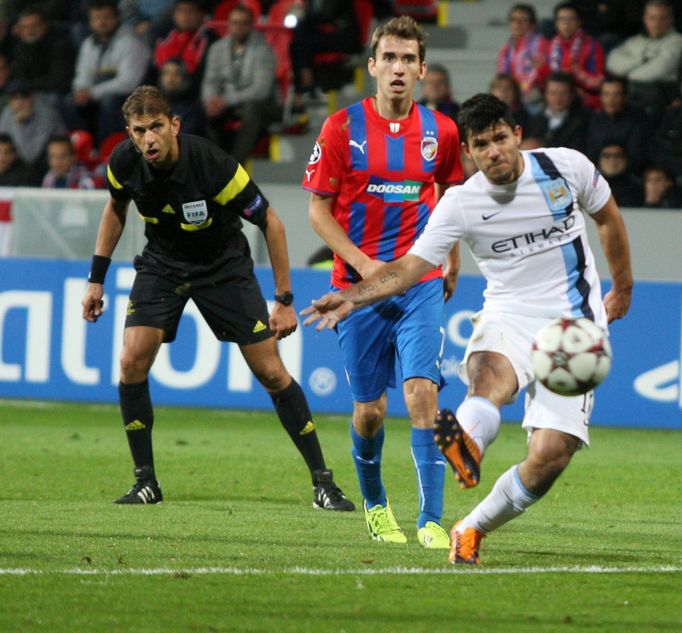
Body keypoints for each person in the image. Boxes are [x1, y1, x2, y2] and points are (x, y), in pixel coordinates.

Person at [302, 93, 633, 565]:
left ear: (517, 135)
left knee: (549, 456)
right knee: (490, 378)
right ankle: (467, 440)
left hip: (575, 325)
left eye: (500, 138)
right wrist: (352, 296)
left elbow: (609, 220)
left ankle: (470, 526)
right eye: (481, 144)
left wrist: (622, 289)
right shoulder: (460, 202)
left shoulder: (566, 168)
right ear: (470, 153)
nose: (494, 151)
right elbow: (411, 268)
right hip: (508, 314)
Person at [81, 85, 354, 511]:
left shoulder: (212, 165)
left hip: (223, 268)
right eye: (139, 130)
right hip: (162, 265)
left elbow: (272, 222)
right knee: (132, 359)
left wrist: (283, 298)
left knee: (271, 373)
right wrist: (96, 278)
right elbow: (115, 209)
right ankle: (145, 482)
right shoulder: (123, 163)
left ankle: (323, 482)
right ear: (129, 133)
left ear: (174, 125)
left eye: (156, 127)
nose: (148, 138)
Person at [302, 16, 463, 548]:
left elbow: (451, 197)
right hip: (358, 288)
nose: (397, 68)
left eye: (407, 59)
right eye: (388, 58)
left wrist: (452, 257)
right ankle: (375, 505)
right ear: (372, 66)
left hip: (418, 282)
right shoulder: (342, 127)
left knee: (423, 394)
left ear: (421, 68)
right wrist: (364, 267)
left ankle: (433, 520)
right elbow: (318, 212)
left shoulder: (441, 130)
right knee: (370, 412)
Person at [201, 5, 281, 166]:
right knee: (201, 111)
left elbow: (261, 90)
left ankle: (236, 165)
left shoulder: (263, 50)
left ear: (251, 25)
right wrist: (211, 100)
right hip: (227, 102)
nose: (238, 27)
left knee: (252, 109)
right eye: (235, 22)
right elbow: (210, 80)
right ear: (228, 24)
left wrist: (226, 101)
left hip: (264, 105)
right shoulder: (218, 48)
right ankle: (214, 164)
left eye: (243, 23)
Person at [64, 0, 151, 143]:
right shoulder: (88, 44)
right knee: (70, 101)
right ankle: (82, 147)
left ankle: (110, 147)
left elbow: (129, 82)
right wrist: (81, 91)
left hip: (130, 96)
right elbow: (82, 75)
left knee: (109, 101)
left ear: (117, 18)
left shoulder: (130, 42)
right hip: (96, 94)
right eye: (96, 18)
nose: (101, 22)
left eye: (106, 17)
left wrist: (92, 93)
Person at [606, 0, 682, 116]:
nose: (657, 23)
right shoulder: (636, 41)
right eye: (652, 18)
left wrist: (628, 74)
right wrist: (641, 59)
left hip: (663, 93)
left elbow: (659, 70)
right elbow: (612, 63)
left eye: (662, 18)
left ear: (671, 20)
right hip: (633, 92)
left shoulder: (677, 41)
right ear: (645, 19)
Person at [9, 5, 75, 104]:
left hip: (55, 94)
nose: (29, 31)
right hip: (30, 93)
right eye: (25, 27)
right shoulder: (20, 48)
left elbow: (58, 81)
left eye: (33, 26)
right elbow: (20, 77)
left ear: (44, 26)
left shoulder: (59, 44)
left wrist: (31, 84)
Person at [586, 76, 649, 175]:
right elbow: (591, 152)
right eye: (606, 94)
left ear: (625, 97)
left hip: (630, 178)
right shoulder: (595, 119)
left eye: (616, 94)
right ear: (601, 97)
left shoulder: (638, 119)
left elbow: (638, 156)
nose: (611, 100)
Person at [547, 2, 605, 110]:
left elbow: (598, 82)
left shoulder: (592, 45)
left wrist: (578, 72)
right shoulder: (551, 45)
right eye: (562, 19)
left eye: (571, 19)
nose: (566, 24)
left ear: (579, 22)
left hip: (584, 100)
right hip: (557, 98)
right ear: (556, 23)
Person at [153, 0, 217, 92]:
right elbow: (154, 70)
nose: (185, 15)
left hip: (194, 96)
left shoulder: (210, 39)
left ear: (201, 15)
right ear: (174, 15)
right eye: (180, 10)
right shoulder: (165, 37)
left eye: (190, 11)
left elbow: (204, 76)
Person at [0, 79, 66, 169]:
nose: (20, 102)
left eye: (24, 97)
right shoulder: (7, 112)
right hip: (17, 161)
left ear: (32, 98)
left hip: (47, 164)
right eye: (15, 98)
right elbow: (2, 142)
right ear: (10, 101)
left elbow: (30, 157)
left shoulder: (46, 115)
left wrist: (18, 125)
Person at [496, 3, 549, 113]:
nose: (517, 24)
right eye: (514, 20)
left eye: (523, 20)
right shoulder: (506, 48)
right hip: (513, 98)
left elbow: (539, 75)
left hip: (534, 99)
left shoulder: (540, 44)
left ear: (532, 24)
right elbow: (502, 76)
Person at [523, 71, 590, 152]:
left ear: (572, 95)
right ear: (545, 94)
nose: (558, 98)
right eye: (553, 93)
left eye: (563, 93)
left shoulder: (583, 121)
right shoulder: (533, 120)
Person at [597, 143, 644, 207]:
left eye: (618, 155)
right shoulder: (591, 187)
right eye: (607, 156)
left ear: (626, 159)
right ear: (599, 160)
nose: (612, 160)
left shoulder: (638, 189)